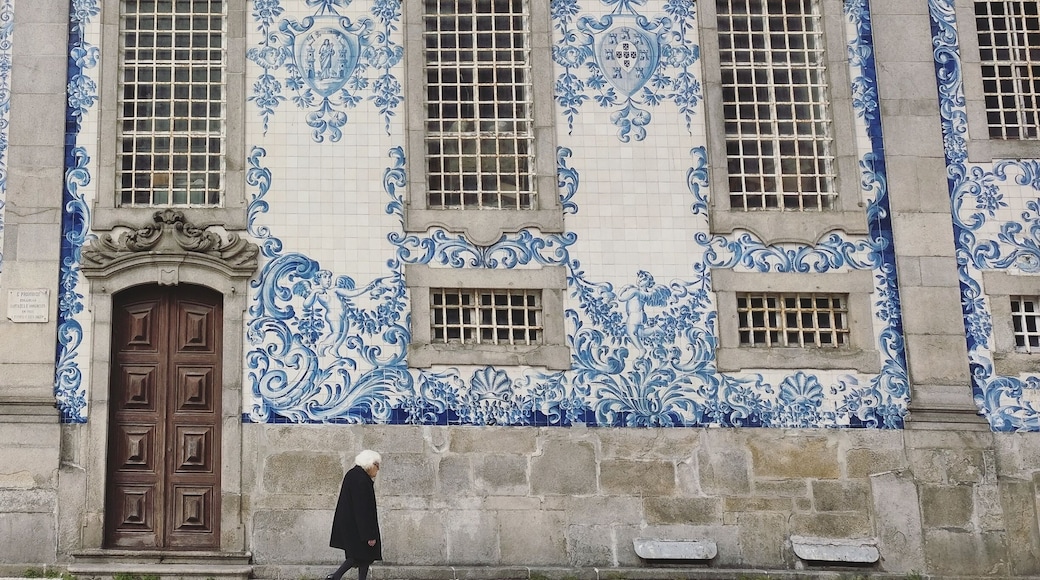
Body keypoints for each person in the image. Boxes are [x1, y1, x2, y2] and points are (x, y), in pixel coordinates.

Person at [327, 450, 382, 580]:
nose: (378, 469)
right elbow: (362, 509)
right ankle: (334, 577)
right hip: (357, 527)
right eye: (377, 465)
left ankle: (337, 577)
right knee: (357, 556)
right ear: (370, 464)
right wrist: (369, 535)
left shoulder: (354, 474)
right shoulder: (361, 479)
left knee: (364, 557)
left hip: (352, 525)